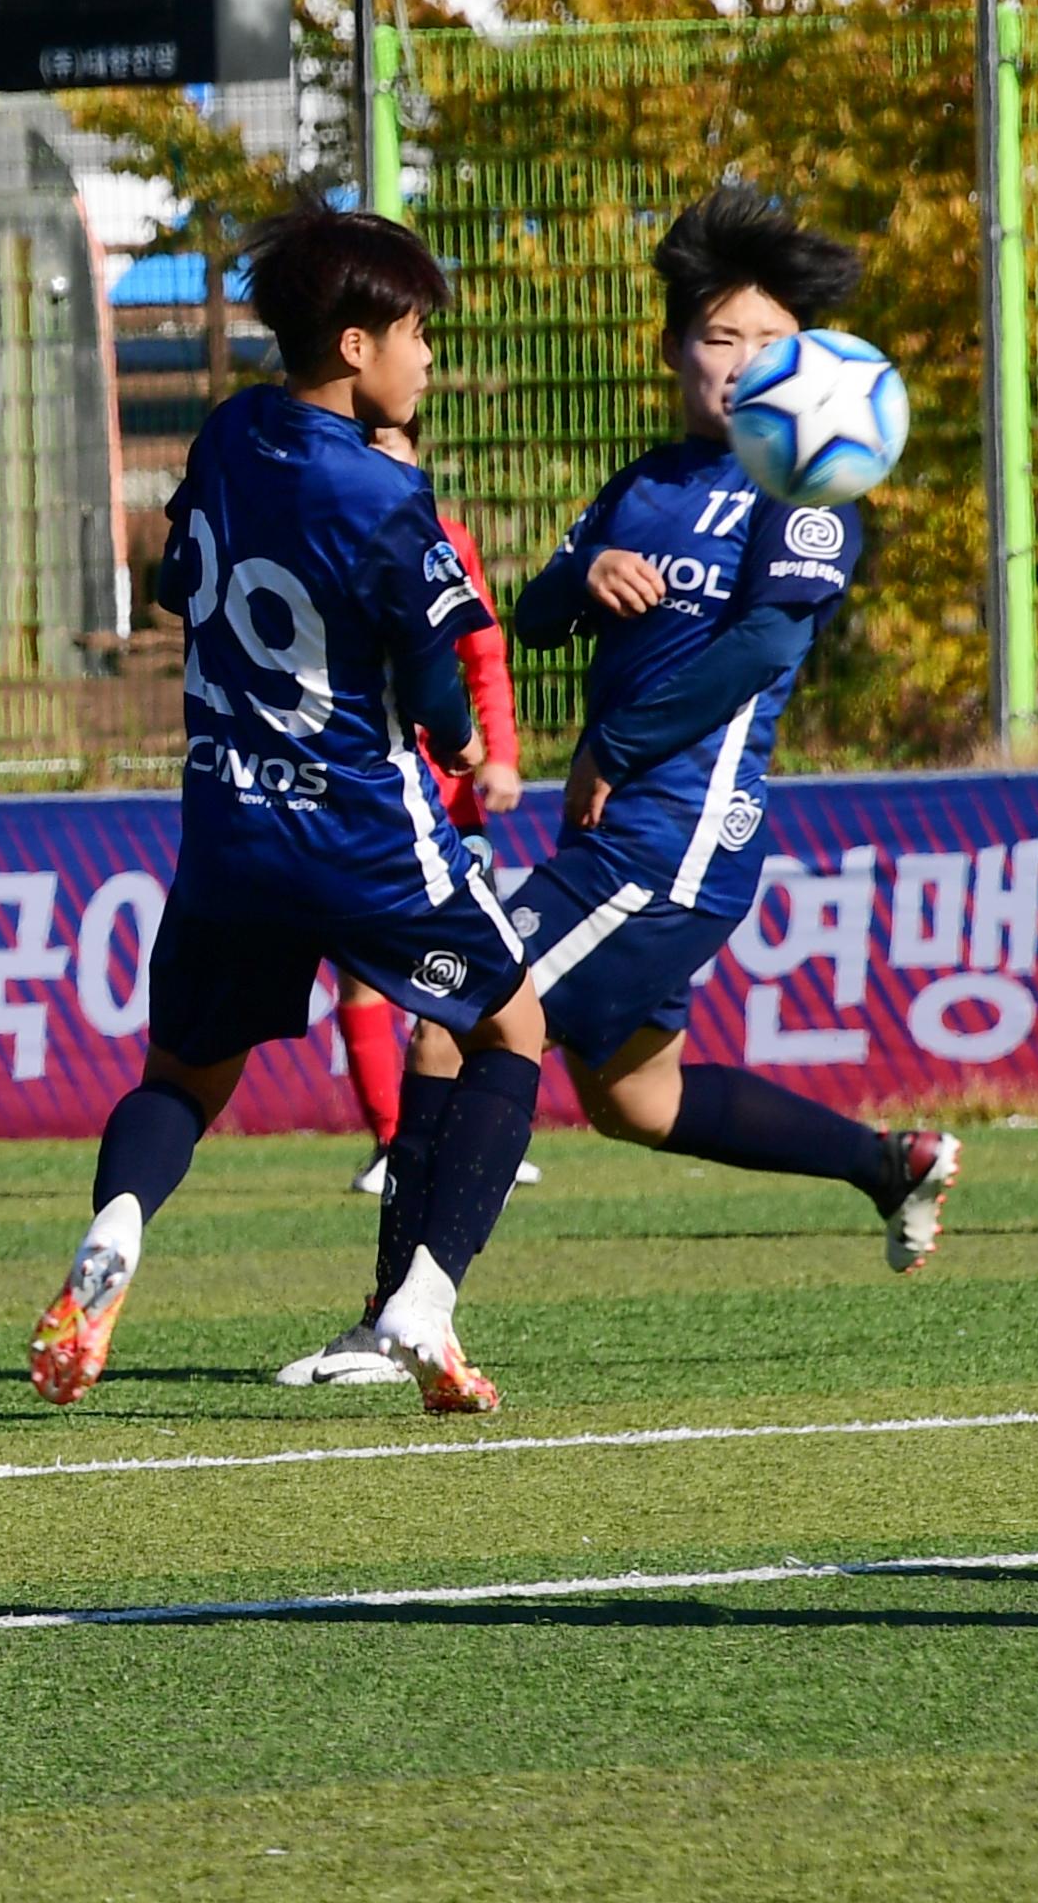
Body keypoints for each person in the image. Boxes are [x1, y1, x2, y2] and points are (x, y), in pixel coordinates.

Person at [280, 187, 954, 1390]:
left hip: (675, 837)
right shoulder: (642, 483)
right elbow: (529, 615)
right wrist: (591, 566)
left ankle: (404, 1315)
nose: (744, 362)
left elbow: (759, 652)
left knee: (453, 1016)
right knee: (637, 1097)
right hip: (623, 836)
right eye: (719, 336)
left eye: (769, 340)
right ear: (671, 350)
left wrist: (616, 747)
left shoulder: (805, 494)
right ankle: (884, 1162)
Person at [28, 205, 550, 1417]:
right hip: (362, 826)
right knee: (511, 1026)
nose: (429, 358)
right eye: (420, 334)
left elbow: (176, 593)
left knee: (183, 1078)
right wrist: (464, 734)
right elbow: (432, 683)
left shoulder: (224, 435)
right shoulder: (383, 494)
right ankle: (424, 1295)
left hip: (226, 822)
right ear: (359, 344)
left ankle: (117, 1226)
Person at [338, 410, 527, 1201]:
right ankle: (392, 1142)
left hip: (448, 803)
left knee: (456, 980)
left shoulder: (449, 541)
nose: (384, 462)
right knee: (363, 982)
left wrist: (502, 754)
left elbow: (482, 656)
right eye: (369, 450)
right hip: (365, 797)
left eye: (394, 449)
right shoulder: (330, 542)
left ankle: (460, 1135)